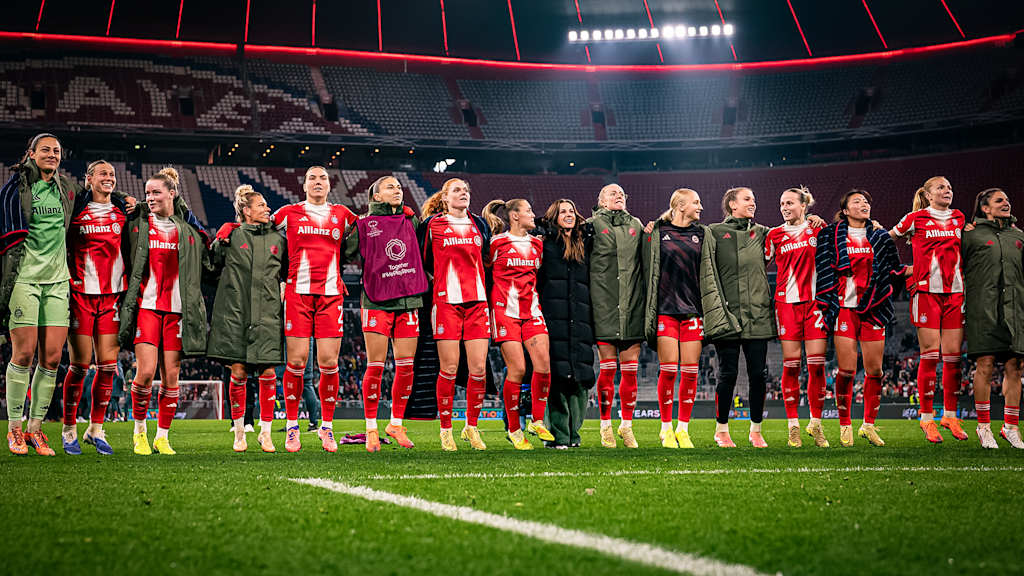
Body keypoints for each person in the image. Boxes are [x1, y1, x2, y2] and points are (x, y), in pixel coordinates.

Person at [119, 167, 209, 455]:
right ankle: (139, 433)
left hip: (177, 312)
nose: (150, 197)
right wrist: (135, 203)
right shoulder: (139, 223)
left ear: (172, 194)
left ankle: (162, 437)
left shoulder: (186, 229)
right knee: (145, 372)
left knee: (172, 376)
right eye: (147, 193)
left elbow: (205, 250)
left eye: (156, 192)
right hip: (147, 308)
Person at [1, 134, 80, 455]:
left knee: (52, 358)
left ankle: (35, 429)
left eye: (56, 151)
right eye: (45, 149)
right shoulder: (17, 188)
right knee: (23, 354)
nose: (52, 154)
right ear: (31, 154)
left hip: (58, 282)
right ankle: (14, 428)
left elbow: (95, 195)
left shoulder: (66, 188)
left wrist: (120, 196)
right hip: (25, 280)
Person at [273, 166, 357, 453]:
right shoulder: (289, 213)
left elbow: (372, 227)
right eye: (312, 178)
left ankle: (327, 428)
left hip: (331, 295)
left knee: (329, 363)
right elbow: (258, 226)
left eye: (323, 178)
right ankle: (292, 426)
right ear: (304, 185)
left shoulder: (342, 214)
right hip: (298, 294)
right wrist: (232, 227)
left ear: (329, 186)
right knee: (296, 363)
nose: (318, 182)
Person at [815, 189, 905, 447]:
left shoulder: (879, 236)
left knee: (875, 370)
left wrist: (917, 268)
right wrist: (812, 219)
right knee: (847, 370)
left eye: (866, 201)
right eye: (857, 201)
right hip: (844, 308)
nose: (864, 204)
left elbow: (894, 269)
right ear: (845, 211)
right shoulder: (832, 235)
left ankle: (868, 425)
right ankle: (845, 425)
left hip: (873, 308)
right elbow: (822, 264)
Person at [349, 176, 426, 451]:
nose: (397, 189)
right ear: (376, 196)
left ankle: (395, 424)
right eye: (390, 186)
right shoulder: (363, 225)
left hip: (408, 300)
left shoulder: (411, 221)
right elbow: (344, 252)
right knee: (376, 366)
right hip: (376, 301)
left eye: (399, 186)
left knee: (406, 367)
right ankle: (371, 427)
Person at [60, 160, 132, 456]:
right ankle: (68, 429)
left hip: (111, 297)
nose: (109, 178)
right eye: (103, 173)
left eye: (112, 174)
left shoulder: (122, 211)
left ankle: (95, 429)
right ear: (88, 179)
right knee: (79, 366)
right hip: (80, 295)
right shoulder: (76, 210)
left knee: (108, 366)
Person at [207, 185, 286, 453]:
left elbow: (289, 271)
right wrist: (219, 240)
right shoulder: (231, 236)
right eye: (261, 205)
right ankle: (239, 432)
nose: (267, 208)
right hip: (236, 315)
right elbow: (211, 266)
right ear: (246, 210)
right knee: (238, 373)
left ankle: (266, 433)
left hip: (267, 316)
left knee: (268, 373)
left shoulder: (278, 239)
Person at [891, 176, 970, 443]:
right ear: (927, 194)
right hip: (926, 294)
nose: (947, 190)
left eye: (949, 187)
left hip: (955, 293)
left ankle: (950, 416)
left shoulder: (959, 218)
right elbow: (886, 241)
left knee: (953, 358)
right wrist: (901, 270)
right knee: (930, 355)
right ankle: (926, 418)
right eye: (941, 187)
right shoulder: (915, 219)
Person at [700, 187, 775, 448]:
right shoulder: (714, 232)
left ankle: (756, 430)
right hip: (727, 316)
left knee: (758, 375)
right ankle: (721, 430)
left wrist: (812, 220)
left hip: (757, 314)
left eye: (754, 199)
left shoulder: (764, 233)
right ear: (732, 204)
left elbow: (792, 232)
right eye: (747, 199)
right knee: (727, 374)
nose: (753, 202)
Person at [420, 178, 492, 451]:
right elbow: (423, 260)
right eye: (457, 190)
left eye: (466, 190)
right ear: (445, 197)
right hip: (446, 303)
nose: (463, 194)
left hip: (477, 303)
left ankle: (471, 426)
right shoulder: (432, 225)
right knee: (449, 369)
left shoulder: (479, 224)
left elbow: (486, 259)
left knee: (478, 370)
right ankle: (446, 429)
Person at [483, 198, 554, 450]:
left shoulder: (537, 244)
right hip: (505, 313)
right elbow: (484, 271)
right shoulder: (496, 243)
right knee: (518, 369)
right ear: (514, 216)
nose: (533, 215)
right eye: (528, 211)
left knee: (543, 366)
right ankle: (514, 429)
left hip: (532, 312)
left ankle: (537, 421)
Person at [765, 187, 829, 447]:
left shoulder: (818, 230)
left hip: (815, 305)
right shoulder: (774, 235)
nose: (784, 207)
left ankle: (816, 424)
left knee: (817, 365)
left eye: (790, 203)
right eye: (782, 203)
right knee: (791, 366)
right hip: (787, 305)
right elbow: (758, 264)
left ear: (804, 205)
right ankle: (793, 426)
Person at [644, 189, 706, 449]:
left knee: (691, 372)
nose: (700, 207)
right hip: (666, 310)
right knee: (668, 371)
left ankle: (683, 429)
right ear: (680, 205)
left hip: (693, 311)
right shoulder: (658, 233)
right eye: (696, 202)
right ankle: (666, 428)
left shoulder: (703, 234)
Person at [961, 188, 1023, 449]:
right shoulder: (970, 235)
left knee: (1015, 366)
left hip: (1015, 310)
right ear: (985, 208)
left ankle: (1011, 428)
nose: (1006, 203)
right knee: (985, 365)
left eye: (1007, 199)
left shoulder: (1018, 236)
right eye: (999, 200)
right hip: (983, 309)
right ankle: (984, 427)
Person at [588, 183, 645, 448]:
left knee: (631, 372)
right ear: (601, 201)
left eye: (622, 193)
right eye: (612, 193)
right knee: (608, 369)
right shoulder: (591, 226)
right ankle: (605, 426)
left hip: (632, 306)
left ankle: (627, 426)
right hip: (605, 306)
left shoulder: (636, 225)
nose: (619, 195)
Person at [537, 199, 594, 448]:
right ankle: (558, 435)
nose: (569, 214)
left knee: (581, 377)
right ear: (554, 217)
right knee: (558, 378)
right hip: (553, 320)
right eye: (563, 212)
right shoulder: (545, 244)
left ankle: (574, 435)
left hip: (580, 320)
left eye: (572, 211)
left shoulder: (585, 244)